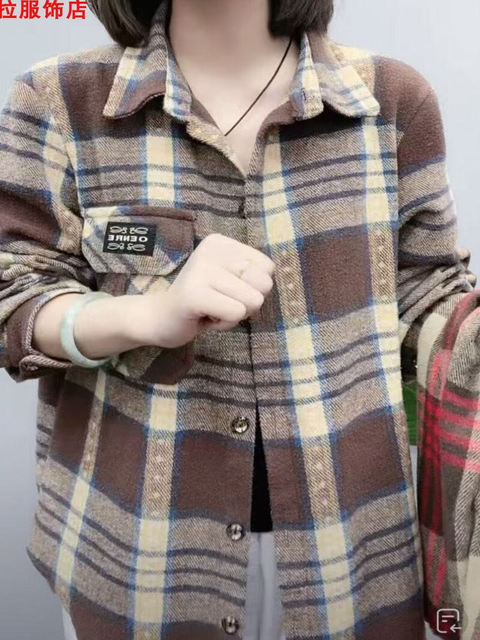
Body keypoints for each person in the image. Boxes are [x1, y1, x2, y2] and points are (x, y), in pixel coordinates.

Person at [0, 0, 476, 638]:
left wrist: (465, 332)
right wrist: (146, 315)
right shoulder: (59, 100)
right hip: (137, 553)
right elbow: (15, 292)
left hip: (352, 550)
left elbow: (429, 293)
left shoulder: (390, 101)